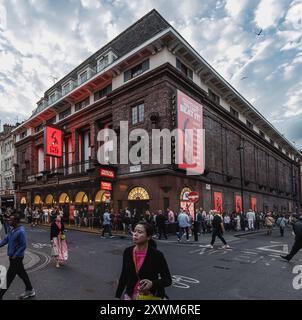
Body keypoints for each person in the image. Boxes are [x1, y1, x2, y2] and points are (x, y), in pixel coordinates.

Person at [115, 221, 172, 300]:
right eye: (134, 231)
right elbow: (124, 275)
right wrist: (118, 296)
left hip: (150, 296)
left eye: (140, 232)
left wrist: (152, 283)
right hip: (130, 296)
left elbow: (168, 280)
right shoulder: (127, 252)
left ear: (148, 237)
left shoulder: (157, 255)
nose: (135, 234)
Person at [0, 215, 35, 300]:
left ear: (16, 221)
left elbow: (23, 245)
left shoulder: (21, 231)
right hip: (12, 257)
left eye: (11, 220)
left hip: (16, 258)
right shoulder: (12, 230)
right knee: (22, 273)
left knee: (9, 277)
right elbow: (5, 240)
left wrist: (16, 254)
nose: (9, 221)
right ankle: (30, 289)